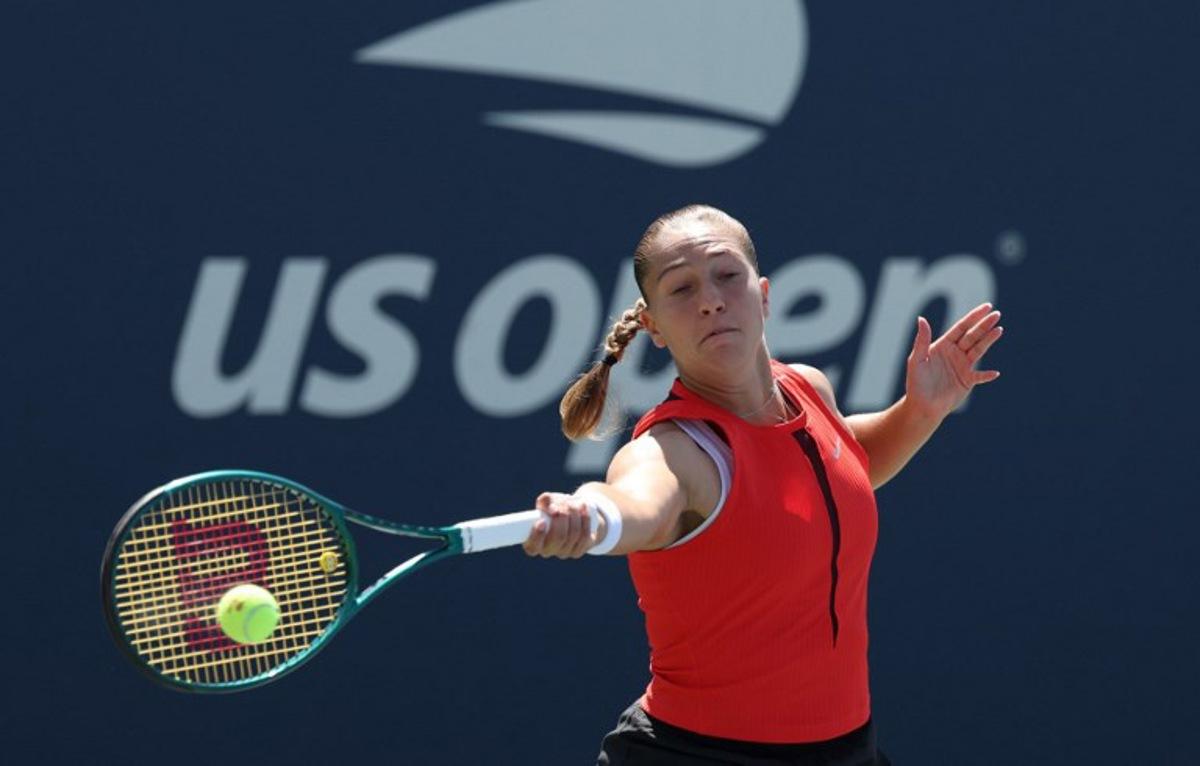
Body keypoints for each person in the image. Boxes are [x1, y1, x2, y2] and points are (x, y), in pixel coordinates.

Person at [523, 205, 1004, 765]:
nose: (710, 299)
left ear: (764, 294)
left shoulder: (807, 389)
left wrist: (921, 411)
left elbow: (841, 470)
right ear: (652, 326)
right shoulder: (676, 450)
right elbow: (639, 504)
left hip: (846, 752)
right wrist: (593, 515)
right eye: (681, 289)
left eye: (727, 275)